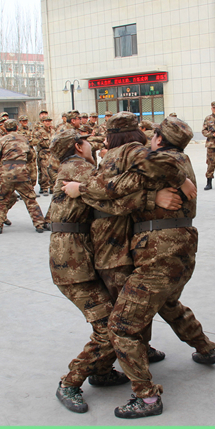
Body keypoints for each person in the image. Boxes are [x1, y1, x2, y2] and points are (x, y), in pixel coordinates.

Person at [64, 113, 215, 419]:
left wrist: (79, 189)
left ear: (158, 139)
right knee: (167, 301)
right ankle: (205, 347)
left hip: (158, 252)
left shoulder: (153, 164)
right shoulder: (182, 163)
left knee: (120, 326)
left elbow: (109, 190)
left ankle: (146, 398)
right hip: (183, 248)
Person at [49, 128, 173, 414]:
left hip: (78, 256)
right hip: (72, 264)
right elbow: (107, 195)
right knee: (109, 326)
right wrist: (154, 199)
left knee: (115, 317)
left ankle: (102, 371)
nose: (94, 144)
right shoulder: (78, 167)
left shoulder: (77, 166)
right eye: (87, 140)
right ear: (78, 146)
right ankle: (69, 383)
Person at [0, 119, 49, 234]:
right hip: (22, 172)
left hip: (6, 173)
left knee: (2, 199)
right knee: (30, 199)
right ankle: (39, 224)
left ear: (4, 129)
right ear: (16, 127)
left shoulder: (1, 140)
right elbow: (30, 155)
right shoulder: (24, 139)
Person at [34, 115, 58, 196]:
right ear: (43, 122)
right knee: (44, 171)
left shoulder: (53, 131)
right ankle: (44, 187)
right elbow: (40, 143)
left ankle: (52, 187)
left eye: (49, 121)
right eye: (46, 121)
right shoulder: (39, 132)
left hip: (52, 153)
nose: (48, 122)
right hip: (43, 153)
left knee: (52, 170)